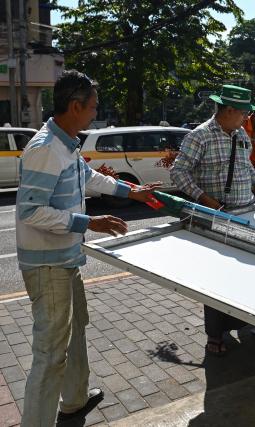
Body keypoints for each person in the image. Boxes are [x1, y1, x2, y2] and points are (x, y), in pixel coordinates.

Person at [16, 70, 158, 427]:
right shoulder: (45, 149)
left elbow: (89, 177)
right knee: (50, 354)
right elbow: (31, 211)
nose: (96, 113)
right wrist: (88, 223)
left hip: (67, 259)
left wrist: (131, 191)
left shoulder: (66, 144)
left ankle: (74, 400)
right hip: (48, 266)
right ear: (75, 106)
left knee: (76, 327)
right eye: (93, 107)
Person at [170, 84, 255, 355]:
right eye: (243, 113)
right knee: (217, 279)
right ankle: (215, 336)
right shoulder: (199, 136)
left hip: (245, 215)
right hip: (216, 219)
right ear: (228, 110)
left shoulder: (240, 134)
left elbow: (245, 164)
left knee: (248, 273)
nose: (246, 118)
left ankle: (249, 320)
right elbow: (179, 173)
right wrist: (204, 199)